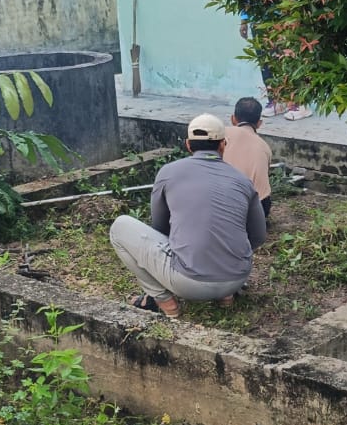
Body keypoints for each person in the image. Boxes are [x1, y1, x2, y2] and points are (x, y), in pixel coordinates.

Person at [109, 113, 268, 318]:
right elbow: (258, 237)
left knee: (120, 226)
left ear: (188, 145)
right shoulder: (242, 180)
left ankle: (165, 303)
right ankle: (226, 296)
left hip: (188, 283)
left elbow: (160, 227)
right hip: (237, 278)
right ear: (223, 145)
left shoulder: (168, 172)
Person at [222, 96, 274, 222]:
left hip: (222, 202)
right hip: (256, 209)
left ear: (233, 118)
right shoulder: (264, 146)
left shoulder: (221, 134)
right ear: (259, 123)